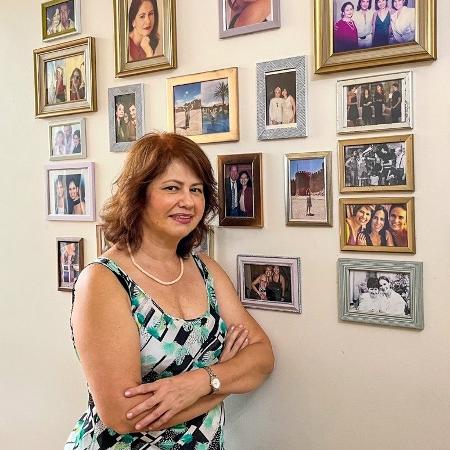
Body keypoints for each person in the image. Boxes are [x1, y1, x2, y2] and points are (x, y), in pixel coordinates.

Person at [65, 132, 274, 449]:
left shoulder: (207, 270)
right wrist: (223, 382)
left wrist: (200, 381)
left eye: (196, 190)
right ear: (138, 195)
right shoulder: (104, 281)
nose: (188, 201)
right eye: (172, 188)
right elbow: (125, 416)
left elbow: (261, 357)